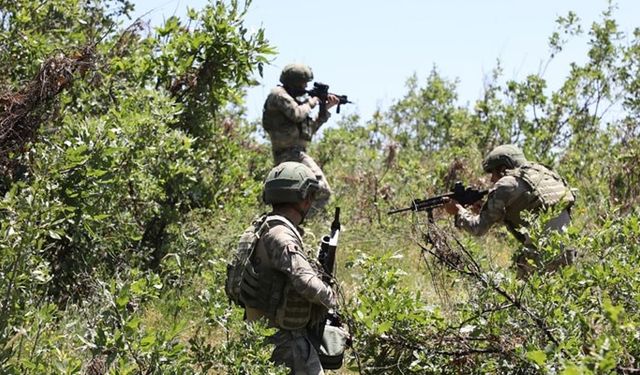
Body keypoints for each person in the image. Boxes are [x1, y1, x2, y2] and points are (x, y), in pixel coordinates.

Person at [240, 161, 337, 374]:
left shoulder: (262, 227)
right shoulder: (281, 235)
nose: (311, 202)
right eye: (310, 195)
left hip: (260, 334)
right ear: (303, 197)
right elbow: (306, 282)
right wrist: (332, 299)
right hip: (284, 341)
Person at [443, 144, 576, 278]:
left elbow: (478, 229)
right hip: (568, 253)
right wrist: (487, 209)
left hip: (540, 255)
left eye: (493, 173)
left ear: (503, 169)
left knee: (516, 296)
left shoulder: (507, 183)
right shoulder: (544, 174)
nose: (492, 179)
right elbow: (530, 210)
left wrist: (458, 211)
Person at [262, 63, 340, 215]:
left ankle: (299, 222)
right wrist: (313, 100)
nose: (305, 87)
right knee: (321, 189)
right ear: (294, 82)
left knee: (299, 195)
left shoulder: (296, 101)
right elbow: (297, 114)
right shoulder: (278, 94)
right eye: (304, 83)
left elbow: (308, 132)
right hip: (289, 153)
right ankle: (305, 221)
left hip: (296, 153)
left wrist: (325, 109)